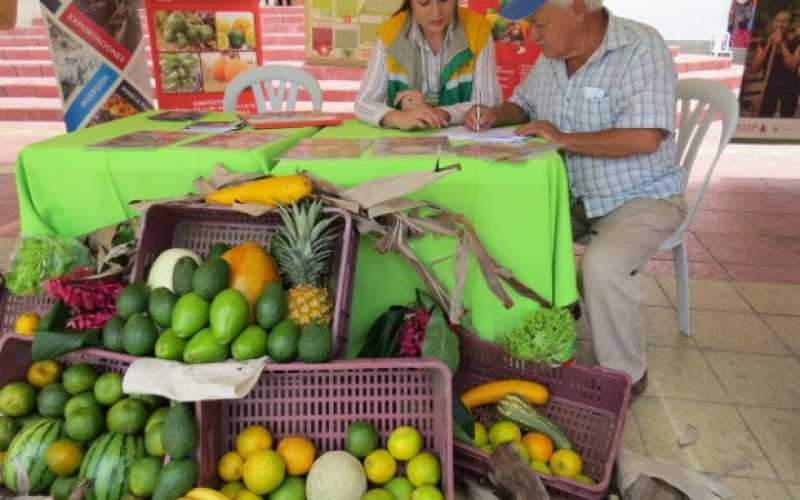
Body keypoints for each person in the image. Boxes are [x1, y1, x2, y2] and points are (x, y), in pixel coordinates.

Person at [465, 0, 687, 394]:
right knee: (505, 233)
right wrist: (494, 115)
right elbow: (525, 104)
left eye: (539, 23)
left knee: (602, 266)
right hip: (571, 194)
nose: (533, 35)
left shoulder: (640, 47)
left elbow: (645, 136)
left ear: (578, 8)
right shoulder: (553, 56)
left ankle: (625, 377)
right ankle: (549, 325)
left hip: (638, 197)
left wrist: (564, 139)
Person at [354, 0, 501, 130]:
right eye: (424, 3)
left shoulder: (478, 30)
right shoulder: (390, 34)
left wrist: (443, 113)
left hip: (464, 149)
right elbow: (363, 103)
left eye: (444, 0)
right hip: (405, 149)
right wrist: (398, 118)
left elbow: (487, 103)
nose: (436, 12)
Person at [751, 11, 800, 118]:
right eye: (777, 21)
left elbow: (792, 66)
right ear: (773, 23)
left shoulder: (797, 42)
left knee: (786, 120)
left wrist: (782, 44)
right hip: (769, 86)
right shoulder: (765, 41)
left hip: (790, 88)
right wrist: (768, 46)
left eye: (784, 21)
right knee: (764, 117)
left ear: (789, 24)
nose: (780, 24)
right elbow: (754, 68)